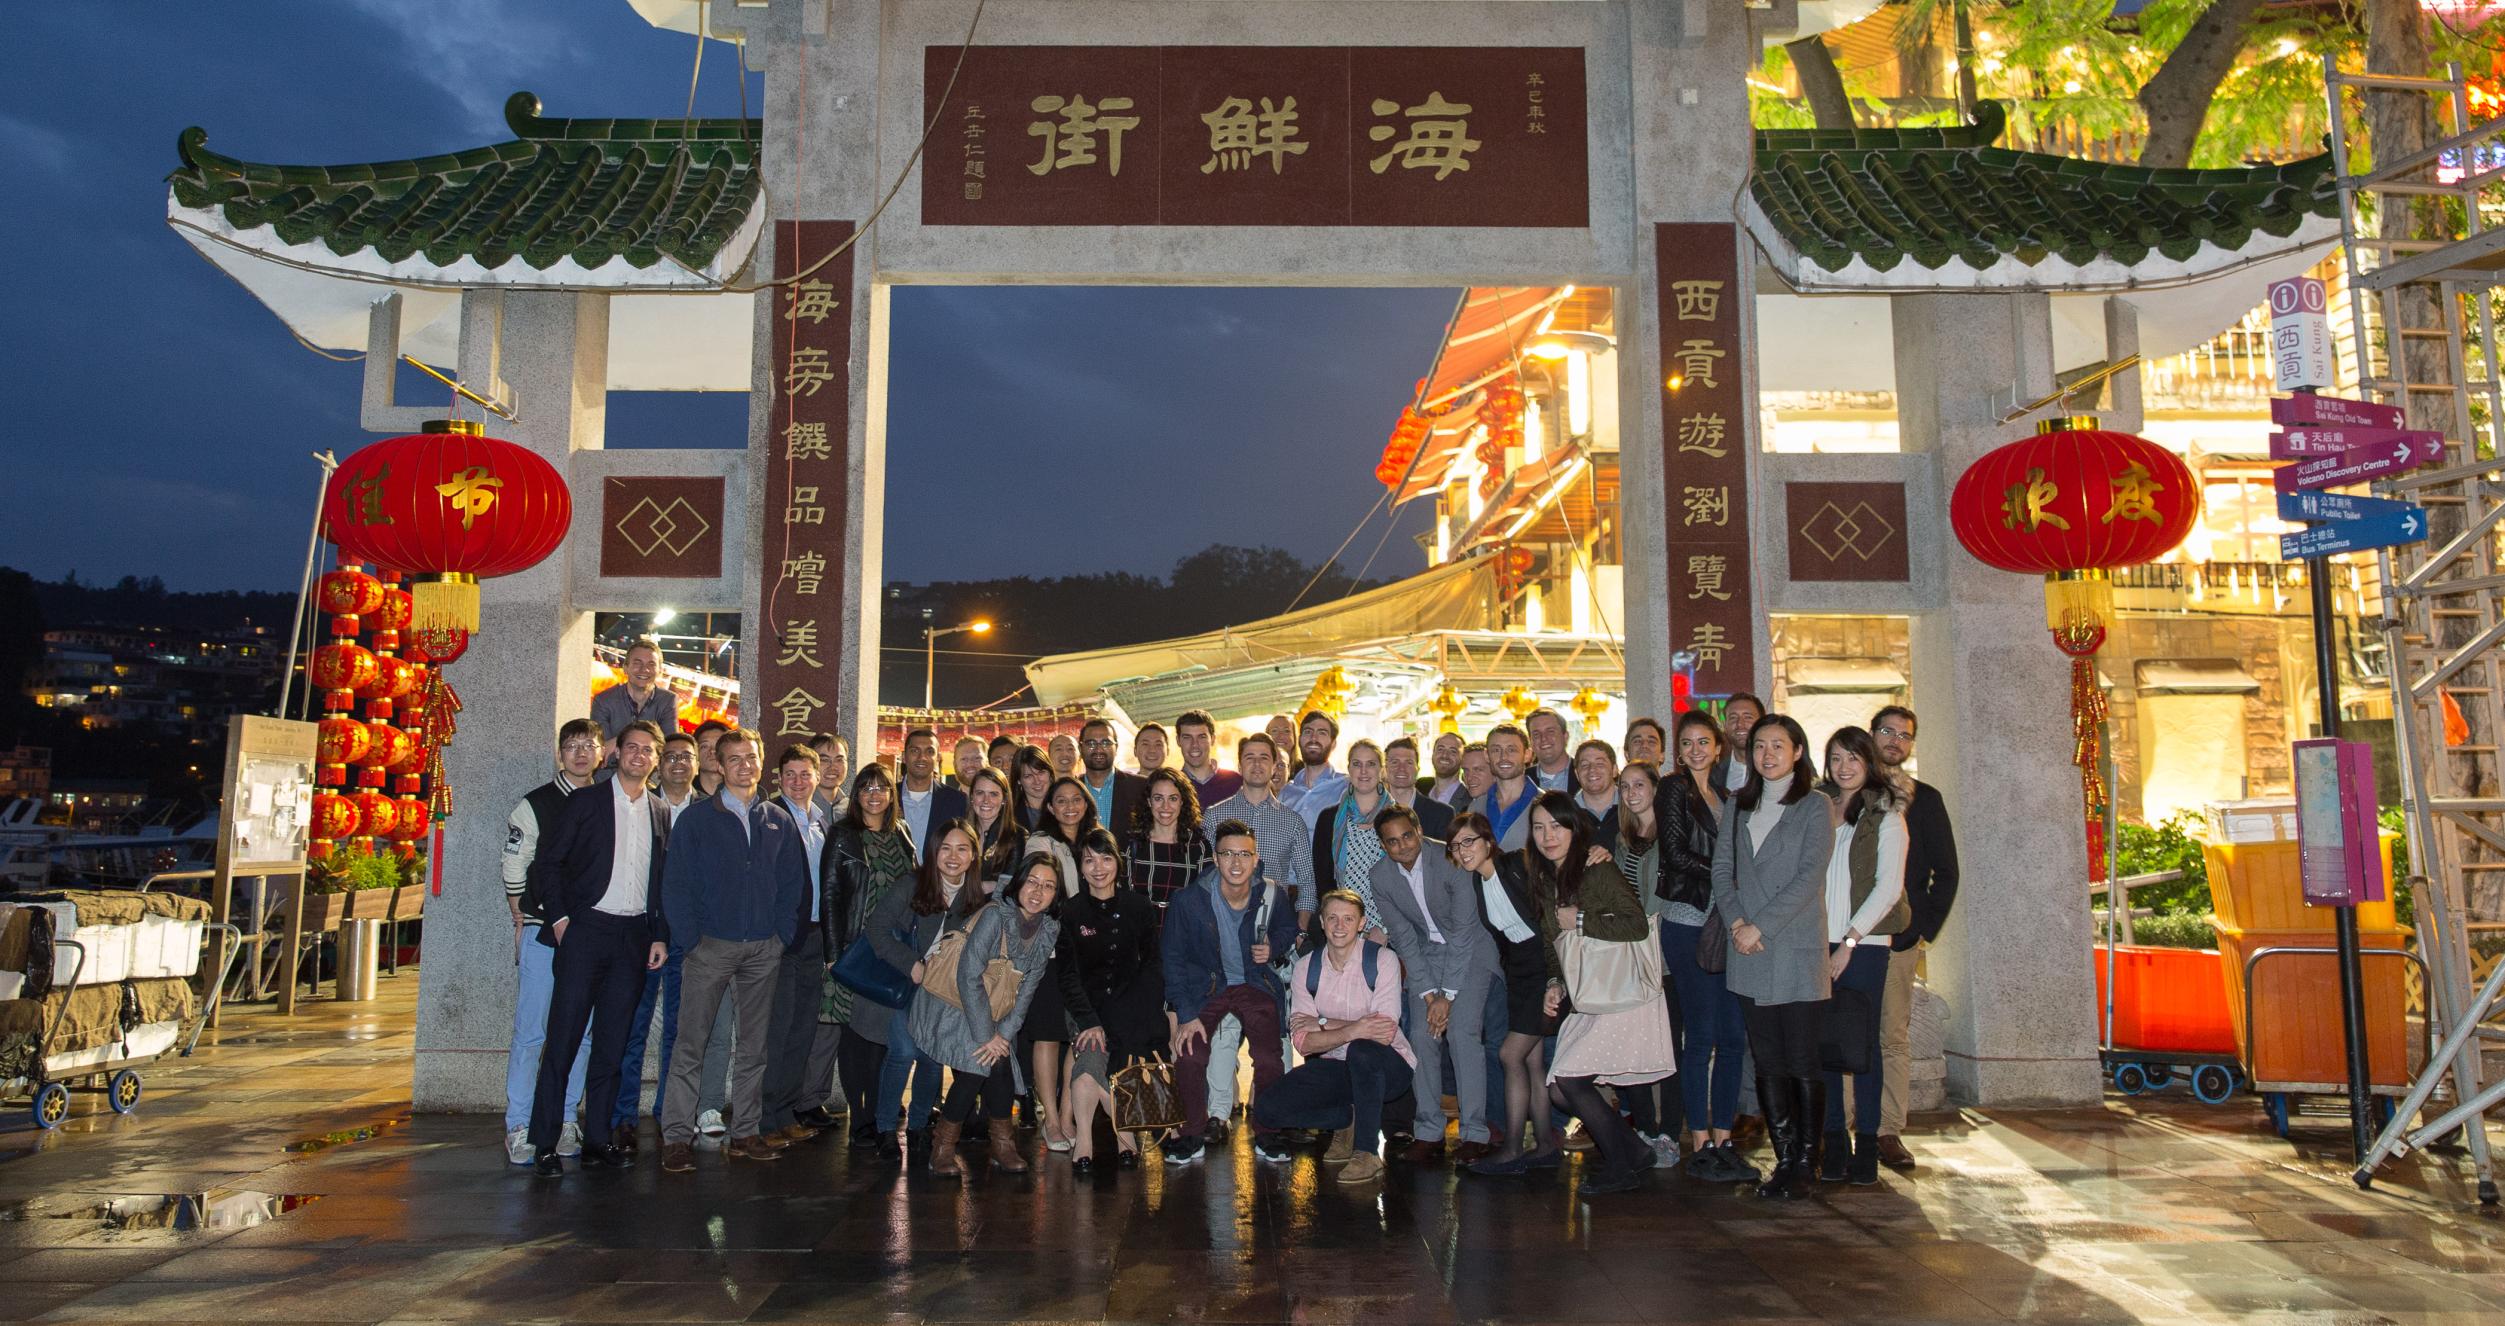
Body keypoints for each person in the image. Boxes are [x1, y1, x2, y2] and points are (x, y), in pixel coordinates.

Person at [657, 727, 812, 1172]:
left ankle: (746, 1131)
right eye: (735, 759)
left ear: (762, 762)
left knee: (754, 1047)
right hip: (710, 947)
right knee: (692, 1043)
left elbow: (792, 886)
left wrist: (781, 936)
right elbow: (677, 884)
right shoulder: (697, 819)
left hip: (763, 948)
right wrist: (691, 939)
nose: (745, 765)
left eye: (752, 757)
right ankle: (676, 1136)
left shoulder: (776, 819)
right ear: (719, 766)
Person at [522, 719, 672, 1174]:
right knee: (564, 1038)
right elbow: (547, 864)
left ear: (656, 760)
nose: (638, 755)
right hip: (585, 932)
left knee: (613, 1043)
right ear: (616, 753)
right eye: (631, 747)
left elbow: (661, 881)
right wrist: (563, 919)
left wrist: (659, 933)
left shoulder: (660, 811)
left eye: (648, 750)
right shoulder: (585, 801)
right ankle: (545, 1140)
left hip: (633, 939)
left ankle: (599, 1138)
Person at [1709, 713, 1835, 1200]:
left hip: (1795, 946)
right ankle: (1784, 1157)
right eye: (1760, 746)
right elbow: (1723, 871)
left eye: (1778, 746)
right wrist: (1739, 923)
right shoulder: (1739, 806)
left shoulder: (1815, 806)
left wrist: (1761, 925)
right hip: (1749, 950)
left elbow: (1809, 876)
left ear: (1798, 752)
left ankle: (1808, 1160)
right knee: (1767, 1061)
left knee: (1802, 1059)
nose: (1768, 754)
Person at [1533, 790, 1674, 1196]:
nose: (1548, 836)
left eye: (1557, 826)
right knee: (1559, 1088)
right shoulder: (1544, 878)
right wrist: (1553, 982)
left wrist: (1579, 919)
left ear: (1575, 829)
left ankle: (1621, 1166)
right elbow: (1551, 943)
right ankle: (1634, 1151)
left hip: (1619, 992)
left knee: (1571, 1083)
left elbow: (1636, 925)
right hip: (1586, 994)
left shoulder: (1597, 868)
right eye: (1539, 828)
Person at [911, 853, 1063, 1177]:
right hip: (954, 1004)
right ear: (1019, 882)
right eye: (1033, 882)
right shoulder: (996, 914)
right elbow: (968, 975)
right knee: (979, 1064)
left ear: (1056, 895)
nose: (1038, 891)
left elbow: (1027, 991)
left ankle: (1001, 1145)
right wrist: (988, 1037)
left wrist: (1004, 1035)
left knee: (999, 1061)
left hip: (996, 1011)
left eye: (1048, 886)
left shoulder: (1048, 929)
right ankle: (944, 1147)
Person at [1161, 818, 1300, 1165]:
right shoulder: (1189, 901)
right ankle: (1192, 1133)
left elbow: (1288, 928)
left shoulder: (1271, 892)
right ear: (1215, 858)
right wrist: (1187, 1014)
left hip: (1255, 983)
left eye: (1244, 854)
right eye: (1227, 854)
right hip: (1207, 987)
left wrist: (1273, 946)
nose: (1236, 863)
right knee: (1190, 1053)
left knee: (1270, 1059)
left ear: (1256, 859)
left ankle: (1267, 1132)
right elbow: (1173, 960)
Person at [1368, 802, 1499, 1165]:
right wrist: (1428, 995)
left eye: (1408, 835)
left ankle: (1475, 1133)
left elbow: (1465, 931)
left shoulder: (1450, 859)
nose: (1403, 846)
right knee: (1421, 1037)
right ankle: (1429, 1131)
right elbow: (1404, 939)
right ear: (1383, 845)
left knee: (1461, 1033)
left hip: (1471, 953)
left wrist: (1449, 996)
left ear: (1419, 829)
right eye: (1392, 842)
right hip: (1426, 957)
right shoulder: (1380, 876)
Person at [1258, 890, 1415, 1183]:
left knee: (1362, 1051)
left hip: (1389, 1069)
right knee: (1268, 1110)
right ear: (1321, 922)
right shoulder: (1307, 967)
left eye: (1348, 919)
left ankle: (1367, 1152)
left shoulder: (1383, 960)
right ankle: (1346, 1118)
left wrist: (1323, 1024)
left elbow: (1382, 1032)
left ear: (1362, 923)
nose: (1339, 926)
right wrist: (1354, 1029)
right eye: (1332, 918)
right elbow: (1302, 1040)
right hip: (1338, 1068)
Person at [1657, 713, 1755, 1182]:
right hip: (1689, 921)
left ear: (1719, 748)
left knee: (1733, 1036)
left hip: (1728, 924)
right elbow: (1675, 854)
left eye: (1704, 742)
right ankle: (1697, 1138)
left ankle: (1724, 1136)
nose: (1696, 750)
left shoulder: (1729, 796)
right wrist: (1727, 876)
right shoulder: (1674, 790)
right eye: (1687, 743)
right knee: (1699, 1036)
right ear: (1678, 751)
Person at [500, 718, 599, 1166]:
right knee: (531, 1032)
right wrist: (519, 910)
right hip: (544, 931)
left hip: (592, 933)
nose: (581, 753)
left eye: (589, 745)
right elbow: (515, 859)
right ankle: (519, 1123)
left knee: (581, 1035)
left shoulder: (609, 800)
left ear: (602, 752)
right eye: (572, 746)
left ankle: (565, 1119)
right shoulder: (536, 803)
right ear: (560, 754)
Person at [1814, 726, 1909, 1188]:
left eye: (1852, 757)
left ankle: (1867, 1143)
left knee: (1864, 1047)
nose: (1844, 767)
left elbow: (1888, 889)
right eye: (1835, 758)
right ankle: (1834, 1141)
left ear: (1868, 761)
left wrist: (1848, 943)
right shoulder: (1815, 807)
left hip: (1865, 945)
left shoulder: (1887, 813)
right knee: (1826, 1047)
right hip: (1817, 942)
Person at [865, 819, 984, 1161]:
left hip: (946, 993)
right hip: (911, 983)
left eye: (962, 849)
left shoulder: (974, 896)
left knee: (933, 1059)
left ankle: (918, 1126)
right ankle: (886, 1128)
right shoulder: (913, 884)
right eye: (945, 848)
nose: (953, 856)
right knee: (902, 1052)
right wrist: (912, 965)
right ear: (933, 852)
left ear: (973, 855)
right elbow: (877, 928)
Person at [611, 729, 708, 1147]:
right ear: (657, 763)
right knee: (633, 1027)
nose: (679, 763)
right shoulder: (641, 807)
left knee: (680, 1031)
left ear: (699, 765)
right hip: (645, 937)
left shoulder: (709, 812)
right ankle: (622, 1114)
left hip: (689, 939)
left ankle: (671, 1112)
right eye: (670, 756)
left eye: (687, 757)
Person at [1452, 811, 1562, 1175]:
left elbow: (1550, 899)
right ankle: (1545, 1145)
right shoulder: (1478, 884)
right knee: (1530, 1061)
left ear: (1487, 840)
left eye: (1469, 841)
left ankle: (1513, 1148)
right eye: (1456, 846)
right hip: (1518, 972)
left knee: (1509, 1055)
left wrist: (1554, 977)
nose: (1463, 851)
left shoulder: (1517, 863)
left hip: (1543, 966)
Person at [1872, 704, 1957, 1173]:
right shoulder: (1848, 791)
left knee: (1893, 1036)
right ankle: (1843, 1127)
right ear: (1872, 735)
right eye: (1888, 731)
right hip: (1847, 937)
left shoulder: (1926, 799)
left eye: (1905, 735)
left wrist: (1920, 929)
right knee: (1847, 1030)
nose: (1895, 741)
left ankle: (1888, 1130)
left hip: (1899, 939)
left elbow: (1945, 873)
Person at [1057, 829, 1166, 1172]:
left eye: (1105, 858)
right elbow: (1068, 976)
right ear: (1080, 867)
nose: (1098, 867)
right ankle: (1091, 1140)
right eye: (1089, 860)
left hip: (1132, 1007)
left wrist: (1139, 1012)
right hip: (1086, 1009)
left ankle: (1123, 1137)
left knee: (1111, 1061)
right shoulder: (1071, 912)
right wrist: (1088, 1020)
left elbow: (1151, 966)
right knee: (1089, 1057)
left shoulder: (1138, 906)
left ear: (1117, 863)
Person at [824, 763, 916, 1151]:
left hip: (893, 949)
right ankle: (860, 1119)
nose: (875, 794)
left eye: (882, 788)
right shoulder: (843, 835)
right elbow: (830, 894)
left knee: (885, 1033)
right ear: (857, 795)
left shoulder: (902, 833)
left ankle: (881, 1108)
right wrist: (832, 953)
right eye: (866, 788)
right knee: (855, 1034)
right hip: (855, 949)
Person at [754, 745, 833, 1149]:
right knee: (778, 1030)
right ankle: (766, 1118)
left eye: (806, 773)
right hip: (783, 938)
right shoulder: (770, 818)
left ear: (818, 777)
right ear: (778, 778)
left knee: (803, 1029)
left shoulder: (822, 821)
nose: (798, 781)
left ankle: (786, 1112)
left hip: (817, 937)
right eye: (790, 774)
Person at [1607, 759, 1683, 1168]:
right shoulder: (1622, 841)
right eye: (1625, 787)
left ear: (1656, 788)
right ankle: (1645, 1129)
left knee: (1669, 1049)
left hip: (1664, 956)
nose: (1632, 793)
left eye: (1640, 785)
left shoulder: (1670, 837)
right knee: (1634, 1047)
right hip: (1630, 956)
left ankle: (1670, 1133)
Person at [1017, 775, 1091, 1150]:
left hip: (1084, 955)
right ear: (1049, 807)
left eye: (1076, 799)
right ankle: (1050, 1116)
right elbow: (1032, 895)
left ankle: (1067, 1115)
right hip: (1047, 953)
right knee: (1047, 1035)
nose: (1069, 806)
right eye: (1060, 800)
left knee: (1076, 1036)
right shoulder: (1040, 842)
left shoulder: (1094, 841)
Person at [1203, 733, 1315, 925]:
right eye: (1249, 758)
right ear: (1239, 766)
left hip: (1274, 925)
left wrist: (1300, 930)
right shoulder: (1214, 816)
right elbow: (1205, 876)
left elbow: (1307, 882)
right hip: (1222, 923)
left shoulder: (1293, 822)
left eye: (1264, 758)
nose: (1256, 764)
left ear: (1274, 767)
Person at [1311, 739, 1395, 931]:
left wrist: (1384, 929)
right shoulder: (1328, 818)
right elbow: (1323, 880)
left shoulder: (1399, 818)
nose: (1363, 771)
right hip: (1342, 925)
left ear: (1381, 769)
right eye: (1357, 764)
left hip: (1391, 926)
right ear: (1348, 769)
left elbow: (1409, 880)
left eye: (1371, 764)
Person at [1124, 767, 1211, 906]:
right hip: (1142, 925)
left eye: (1173, 798)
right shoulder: (1131, 844)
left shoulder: (1198, 846)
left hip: (1182, 925)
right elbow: (1124, 897)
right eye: (1158, 798)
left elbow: (1204, 898)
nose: (1166, 806)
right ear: (1149, 801)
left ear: (1182, 802)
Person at [590, 637, 682, 769]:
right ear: (625, 668)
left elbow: (670, 748)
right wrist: (650, 746)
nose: (644, 669)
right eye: (637, 663)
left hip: (651, 776)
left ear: (660, 671)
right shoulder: (604, 700)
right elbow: (605, 755)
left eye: (651, 664)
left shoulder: (668, 701)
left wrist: (618, 741)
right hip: (610, 777)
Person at [896, 728, 969, 865]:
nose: (922, 757)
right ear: (904, 757)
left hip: (938, 882)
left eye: (930, 752)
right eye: (915, 751)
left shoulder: (956, 801)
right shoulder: (887, 797)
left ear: (938, 758)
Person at [1280, 710, 1349, 836]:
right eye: (1308, 732)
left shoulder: (1346, 788)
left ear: (1333, 744)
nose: (1313, 738)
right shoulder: (1286, 791)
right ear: (1299, 740)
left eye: (1322, 733)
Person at [1076, 718, 1147, 840]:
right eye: (1091, 743)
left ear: (1116, 747)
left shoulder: (1141, 787)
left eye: (1106, 743)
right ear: (1080, 748)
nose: (1098, 749)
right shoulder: (1071, 790)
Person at [1481, 725, 1540, 853]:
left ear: (1527, 755)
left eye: (1512, 750)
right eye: (1496, 750)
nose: (1504, 757)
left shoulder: (1547, 804)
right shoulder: (1476, 807)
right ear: (1486, 755)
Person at [1382, 737, 1454, 841]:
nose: (1401, 768)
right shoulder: (1371, 813)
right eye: (1395, 762)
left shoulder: (1442, 814)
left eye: (1409, 762)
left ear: (1418, 769)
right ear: (1386, 769)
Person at [963, 766, 1023, 884]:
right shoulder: (959, 833)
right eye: (980, 793)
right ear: (971, 797)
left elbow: (1011, 886)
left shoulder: (1017, 837)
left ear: (1004, 799)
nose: (986, 800)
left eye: (993, 794)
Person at [1174, 709, 1243, 805]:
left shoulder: (1236, 783)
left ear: (1213, 739)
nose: (1194, 744)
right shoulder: (1172, 786)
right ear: (1178, 741)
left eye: (1201, 737)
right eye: (1187, 737)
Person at [1708, 694, 1765, 795]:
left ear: (1762, 724)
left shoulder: (1775, 768)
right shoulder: (1712, 776)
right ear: (1724, 726)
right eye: (1733, 718)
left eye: (1748, 717)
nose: (1740, 724)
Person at [1572, 739, 1618, 831]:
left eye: (1600, 764)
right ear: (1577, 774)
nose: (1592, 769)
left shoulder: (1632, 807)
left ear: (1614, 770)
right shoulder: (1567, 814)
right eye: (1585, 765)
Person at [1011, 743, 1056, 832]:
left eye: (1041, 773)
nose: (1037, 781)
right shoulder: (1009, 814)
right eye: (1028, 776)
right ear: (1019, 780)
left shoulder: (1064, 806)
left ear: (1050, 773)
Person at [1526, 709, 1574, 792]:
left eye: (1550, 732)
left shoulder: (1586, 774)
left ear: (1565, 737)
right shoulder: (1523, 780)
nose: (1543, 738)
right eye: (1536, 734)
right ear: (1531, 741)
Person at [809, 733, 851, 820]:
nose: (832, 767)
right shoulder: (800, 806)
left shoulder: (853, 809)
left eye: (839, 760)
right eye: (824, 760)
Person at [692, 719, 731, 799]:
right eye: (704, 746)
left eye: (718, 744)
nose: (713, 750)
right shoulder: (685, 793)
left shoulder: (741, 793)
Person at [1425, 731, 1466, 807]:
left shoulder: (1469, 801)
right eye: (1440, 749)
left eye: (1453, 751)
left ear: (1463, 758)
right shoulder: (1422, 793)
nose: (1445, 755)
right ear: (1433, 754)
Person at [1456, 741, 1493, 817]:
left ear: (1495, 771)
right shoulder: (1465, 810)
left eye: (1478, 770)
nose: (1469, 777)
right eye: (1466, 770)